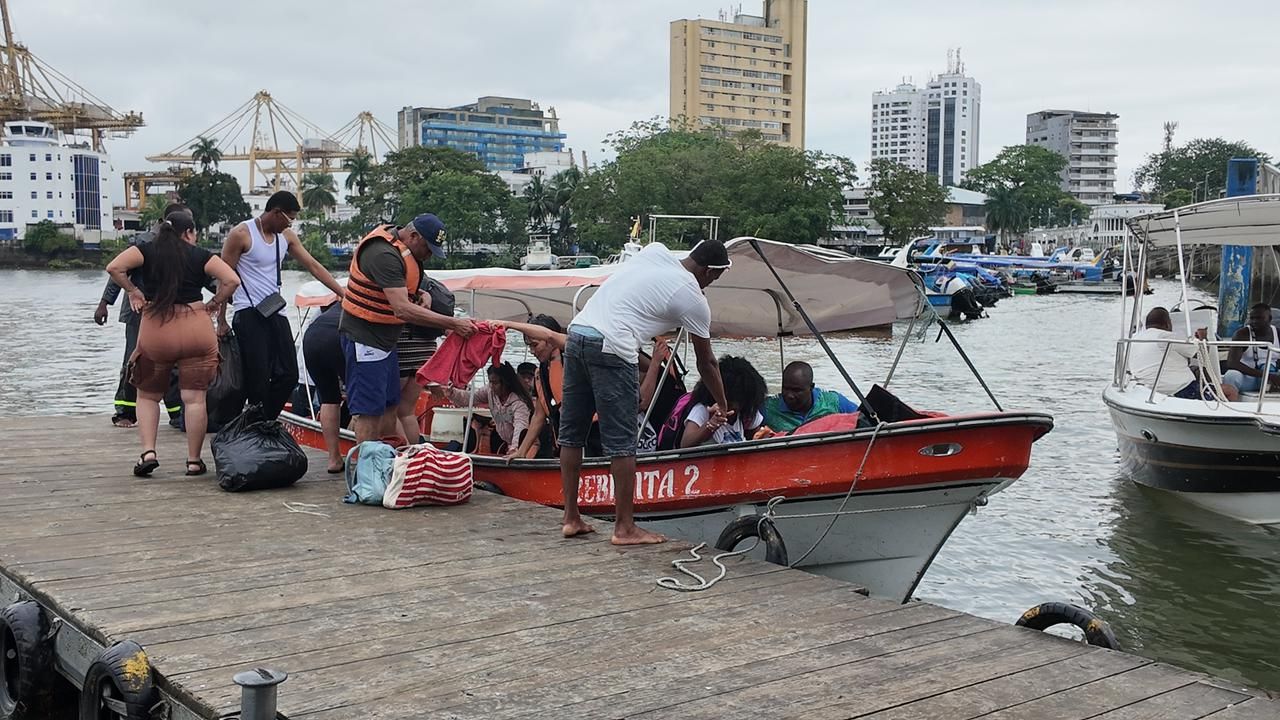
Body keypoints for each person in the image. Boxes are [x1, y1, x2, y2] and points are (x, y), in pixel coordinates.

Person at [557, 239, 732, 545]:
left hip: (578, 333)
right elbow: (707, 362)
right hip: (613, 346)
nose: (710, 286)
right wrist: (721, 402)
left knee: (572, 433)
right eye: (713, 279)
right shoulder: (692, 297)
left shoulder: (656, 253)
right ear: (707, 271)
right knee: (623, 442)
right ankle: (624, 528)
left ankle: (571, 518)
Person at [105, 212, 240, 476]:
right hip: (196, 327)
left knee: (148, 396)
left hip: (157, 327)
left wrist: (133, 291)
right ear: (188, 232)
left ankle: (148, 452)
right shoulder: (200, 255)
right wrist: (214, 303)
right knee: (194, 398)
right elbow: (232, 280)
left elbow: (114, 267)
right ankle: (193, 461)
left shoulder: (146, 250)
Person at [338, 214, 476, 445]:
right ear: (413, 236)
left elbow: (397, 290)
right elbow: (402, 309)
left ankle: (387, 461)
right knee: (370, 410)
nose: (429, 256)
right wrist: (453, 324)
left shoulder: (404, 252)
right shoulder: (383, 254)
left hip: (386, 342)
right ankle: (366, 470)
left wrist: (421, 293)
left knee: (390, 403)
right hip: (366, 340)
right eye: (428, 248)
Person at [218, 191, 345, 420]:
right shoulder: (241, 234)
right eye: (290, 218)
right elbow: (223, 276)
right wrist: (221, 320)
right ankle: (255, 427)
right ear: (276, 213)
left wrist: (341, 293)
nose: (291, 224)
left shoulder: (285, 237)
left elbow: (313, 266)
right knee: (257, 377)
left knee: (288, 374)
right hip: (248, 311)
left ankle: (262, 420)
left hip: (275, 310)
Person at [95, 202, 192, 428]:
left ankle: (177, 413)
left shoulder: (182, 248)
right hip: (139, 310)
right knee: (135, 359)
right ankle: (125, 411)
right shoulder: (143, 242)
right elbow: (117, 273)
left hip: (168, 310)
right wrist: (104, 303)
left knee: (173, 361)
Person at [1129, 307, 1238, 401]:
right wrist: (1203, 337)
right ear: (1167, 323)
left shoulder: (1135, 339)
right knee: (1230, 391)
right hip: (1178, 390)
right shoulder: (1167, 336)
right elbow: (1202, 356)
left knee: (1196, 369)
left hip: (1146, 388)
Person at [431, 362, 533, 457]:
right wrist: (452, 393)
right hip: (508, 441)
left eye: (495, 383)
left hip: (528, 446)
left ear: (505, 383)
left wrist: (514, 449)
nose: (492, 386)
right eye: (490, 382)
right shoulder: (490, 391)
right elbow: (471, 399)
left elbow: (520, 428)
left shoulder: (519, 403)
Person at [676, 355, 767, 448]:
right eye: (730, 402)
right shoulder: (703, 410)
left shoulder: (746, 413)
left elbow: (757, 435)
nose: (734, 407)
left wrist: (766, 436)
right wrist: (711, 425)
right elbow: (685, 443)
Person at [301, 301, 346, 472]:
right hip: (339, 336)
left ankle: (334, 459)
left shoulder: (338, 302)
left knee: (328, 398)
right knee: (360, 398)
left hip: (312, 337)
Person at [763, 361, 860, 433]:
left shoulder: (834, 402)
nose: (790, 395)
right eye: (785, 388)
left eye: (796, 390)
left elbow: (863, 419)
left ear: (811, 387)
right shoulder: (768, 408)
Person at [1223, 303, 1280, 395]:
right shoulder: (1242, 334)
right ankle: (1230, 404)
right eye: (1252, 318)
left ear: (1269, 319)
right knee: (1231, 376)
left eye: (1259, 318)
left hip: (1272, 376)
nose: (1254, 321)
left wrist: (1273, 376)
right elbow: (1232, 363)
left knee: (1267, 366)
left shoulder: (1278, 334)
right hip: (1248, 377)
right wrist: (1267, 375)